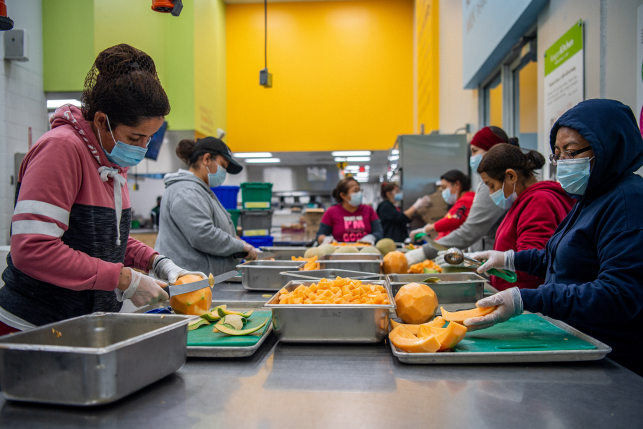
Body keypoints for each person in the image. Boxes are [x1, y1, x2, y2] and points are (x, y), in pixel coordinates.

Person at [0, 44, 202, 334]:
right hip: (33, 327)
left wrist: (156, 262)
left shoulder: (111, 163)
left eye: (149, 138)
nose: (142, 149)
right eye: (135, 137)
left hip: (83, 325)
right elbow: (32, 250)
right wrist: (122, 279)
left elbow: (106, 238)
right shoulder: (61, 149)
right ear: (101, 121)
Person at [465, 99, 643, 376]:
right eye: (558, 154)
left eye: (571, 153)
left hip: (612, 357)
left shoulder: (627, 202)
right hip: (575, 340)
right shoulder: (589, 198)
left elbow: (619, 294)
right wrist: (510, 258)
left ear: (607, 146)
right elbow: (557, 258)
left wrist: (531, 299)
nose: (562, 163)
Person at [404, 126, 513, 266]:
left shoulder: (489, 189)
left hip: (497, 267)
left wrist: (425, 249)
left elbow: (467, 229)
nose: (472, 157)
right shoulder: (485, 188)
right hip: (489, 263)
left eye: (475, 151)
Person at [476, 143, 574, 290]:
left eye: (491, 186)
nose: (491, 193)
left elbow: (532, 265)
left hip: (525, 301)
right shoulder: (523, 201)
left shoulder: (538, 202)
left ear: (511, 176)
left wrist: (502, 263)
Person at [155, 138, 257, 275]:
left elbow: (213, 228)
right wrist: (241, 246)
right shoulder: (186, 191)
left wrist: (239, 243)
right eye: (223, 166)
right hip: (186, 286)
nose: (224, 173)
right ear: (207, 159)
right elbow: (203, 235)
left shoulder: (200, 190)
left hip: (201, 283)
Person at [410, 170, 475, 240]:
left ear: (457, 185)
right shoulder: (459, 203)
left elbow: (453, 220)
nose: (443, 192)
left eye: (444, 187)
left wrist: (428, 229)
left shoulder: (467, 200)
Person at [317, 176, 383, 245]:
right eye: (355, 191)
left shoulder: (368, 210)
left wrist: (372, 237)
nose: (359, 193)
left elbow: (379, 233)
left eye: (360, 190)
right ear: (343, 195)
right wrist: (325, 239)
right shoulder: (331, 212)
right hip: (341, 252)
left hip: (365, 252)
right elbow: (320, 235)